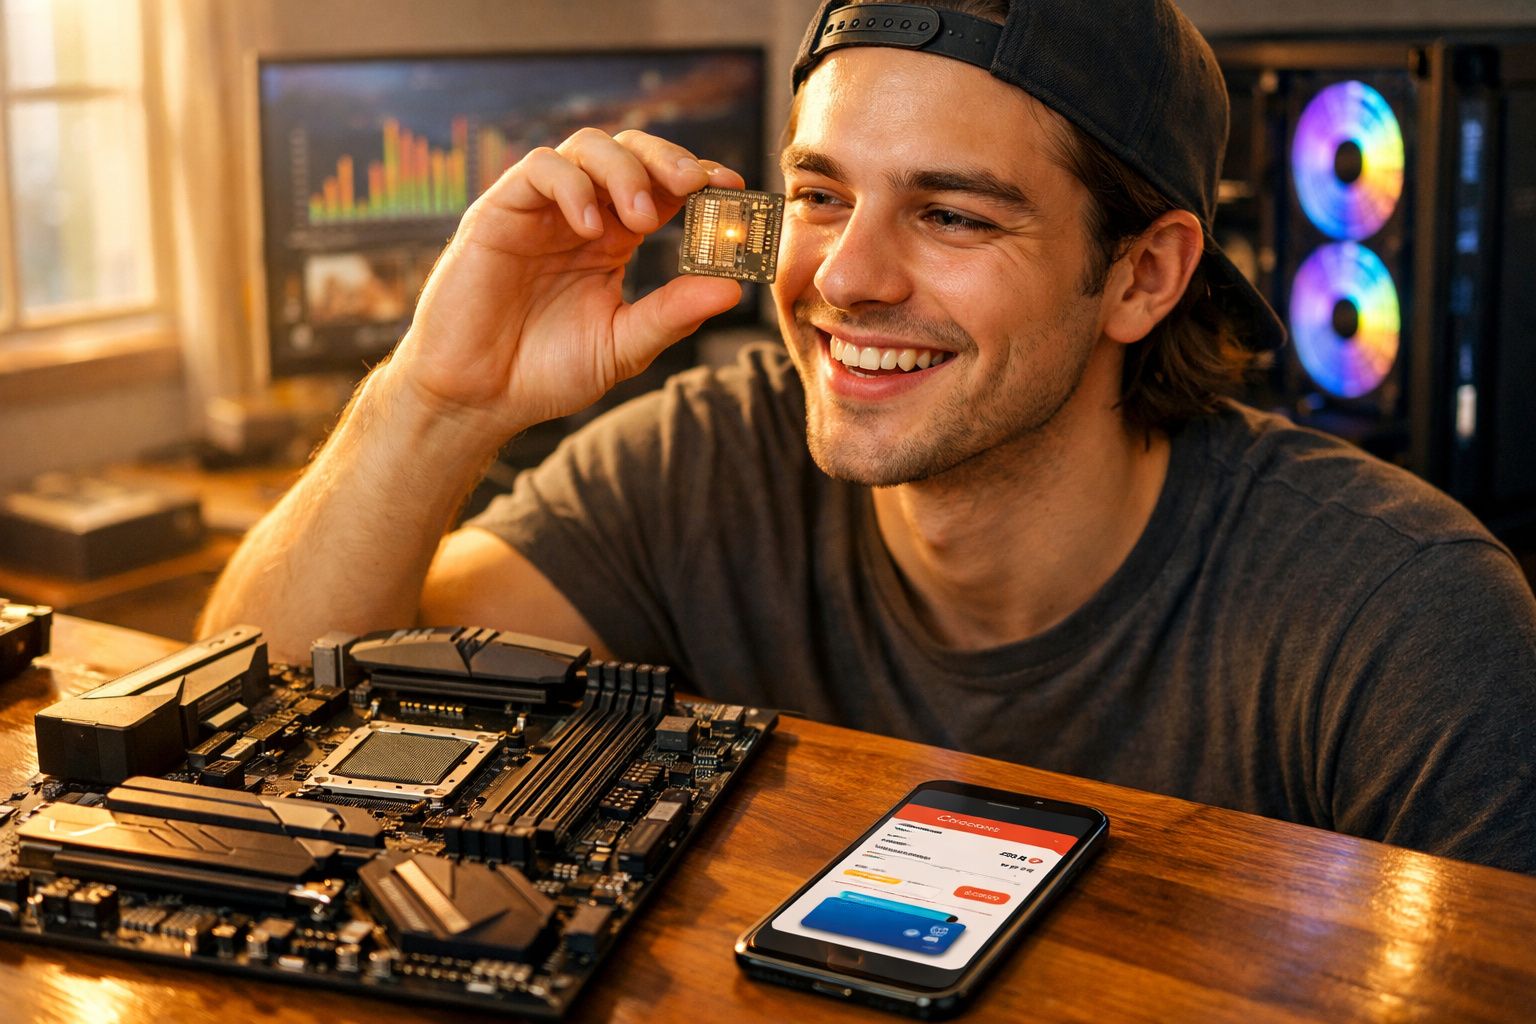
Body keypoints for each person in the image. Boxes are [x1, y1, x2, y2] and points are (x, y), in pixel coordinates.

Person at [200, 0, 1536, 873]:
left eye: (954, 215)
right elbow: (249, 721)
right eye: (822, 193)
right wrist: (439, 399)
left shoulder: (1406, 621)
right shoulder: (704, 464)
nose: (845, 277)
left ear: (1143, 276)